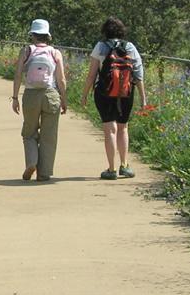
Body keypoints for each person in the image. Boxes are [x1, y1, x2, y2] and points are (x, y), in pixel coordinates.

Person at [81, 16, 147, 180]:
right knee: (123, 127)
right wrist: (143, 98)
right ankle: (124, 165)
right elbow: (138, 74)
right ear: (121, 31)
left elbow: (91, 75)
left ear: (105, 31)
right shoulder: (130, 47)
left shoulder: (100, 46)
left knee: (110, 129)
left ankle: (111, 169)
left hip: (104, 92)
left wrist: (84, 95)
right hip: (126, 92)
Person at [12, 19, 67, 181]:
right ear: (47, 35)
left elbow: (17, 75)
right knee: (49, 136)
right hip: (51, 95)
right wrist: (64, 99)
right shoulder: (55, 53)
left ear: (32, 34)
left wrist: (15, 97)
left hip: (31, 95)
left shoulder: (26, 51)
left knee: (29, 133)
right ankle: (44, 173)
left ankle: (31, 162)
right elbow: (61, 79)